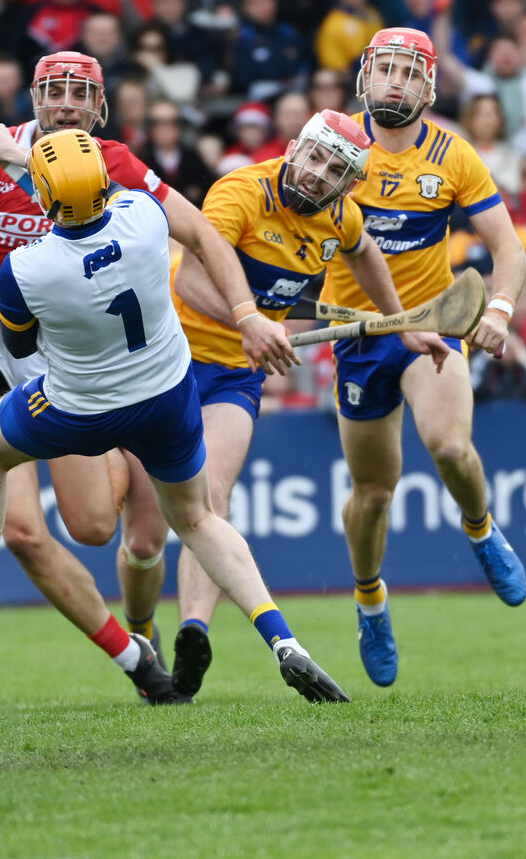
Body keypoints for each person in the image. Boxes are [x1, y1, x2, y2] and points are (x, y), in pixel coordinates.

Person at [0, 127, 349, 714]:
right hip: (165, 399)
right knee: (200, 519)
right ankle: (285, 643)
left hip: (76, 411)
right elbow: (149, 216)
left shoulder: (24, 268)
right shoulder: (142, 218)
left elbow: (24, 351)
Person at [113, 110, 448, 699]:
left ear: (347, 185)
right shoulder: (242, 191)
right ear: (294, 148)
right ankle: (142, 638)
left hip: (235, 378)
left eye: (335, 171)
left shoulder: (339, 216)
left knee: (210, 500)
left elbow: (365, 251)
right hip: (167, 360)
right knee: (143, 541)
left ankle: (193, 633)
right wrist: (251, 324)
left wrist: (398, 323)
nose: (318, 175)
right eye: (315, 158)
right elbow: (188, 280)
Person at [319, 27, 526, 688]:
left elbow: (510, 250)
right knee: (374, 494)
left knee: (449, 446)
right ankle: (371, 601)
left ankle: (481, 529)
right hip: (355, 336)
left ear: (429, 86)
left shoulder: (453, 155)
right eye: (384, 69)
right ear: (364, 76)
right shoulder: (331, 143)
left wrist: (497, 311)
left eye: (409, 73)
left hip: (431, 327)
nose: (394, 83)